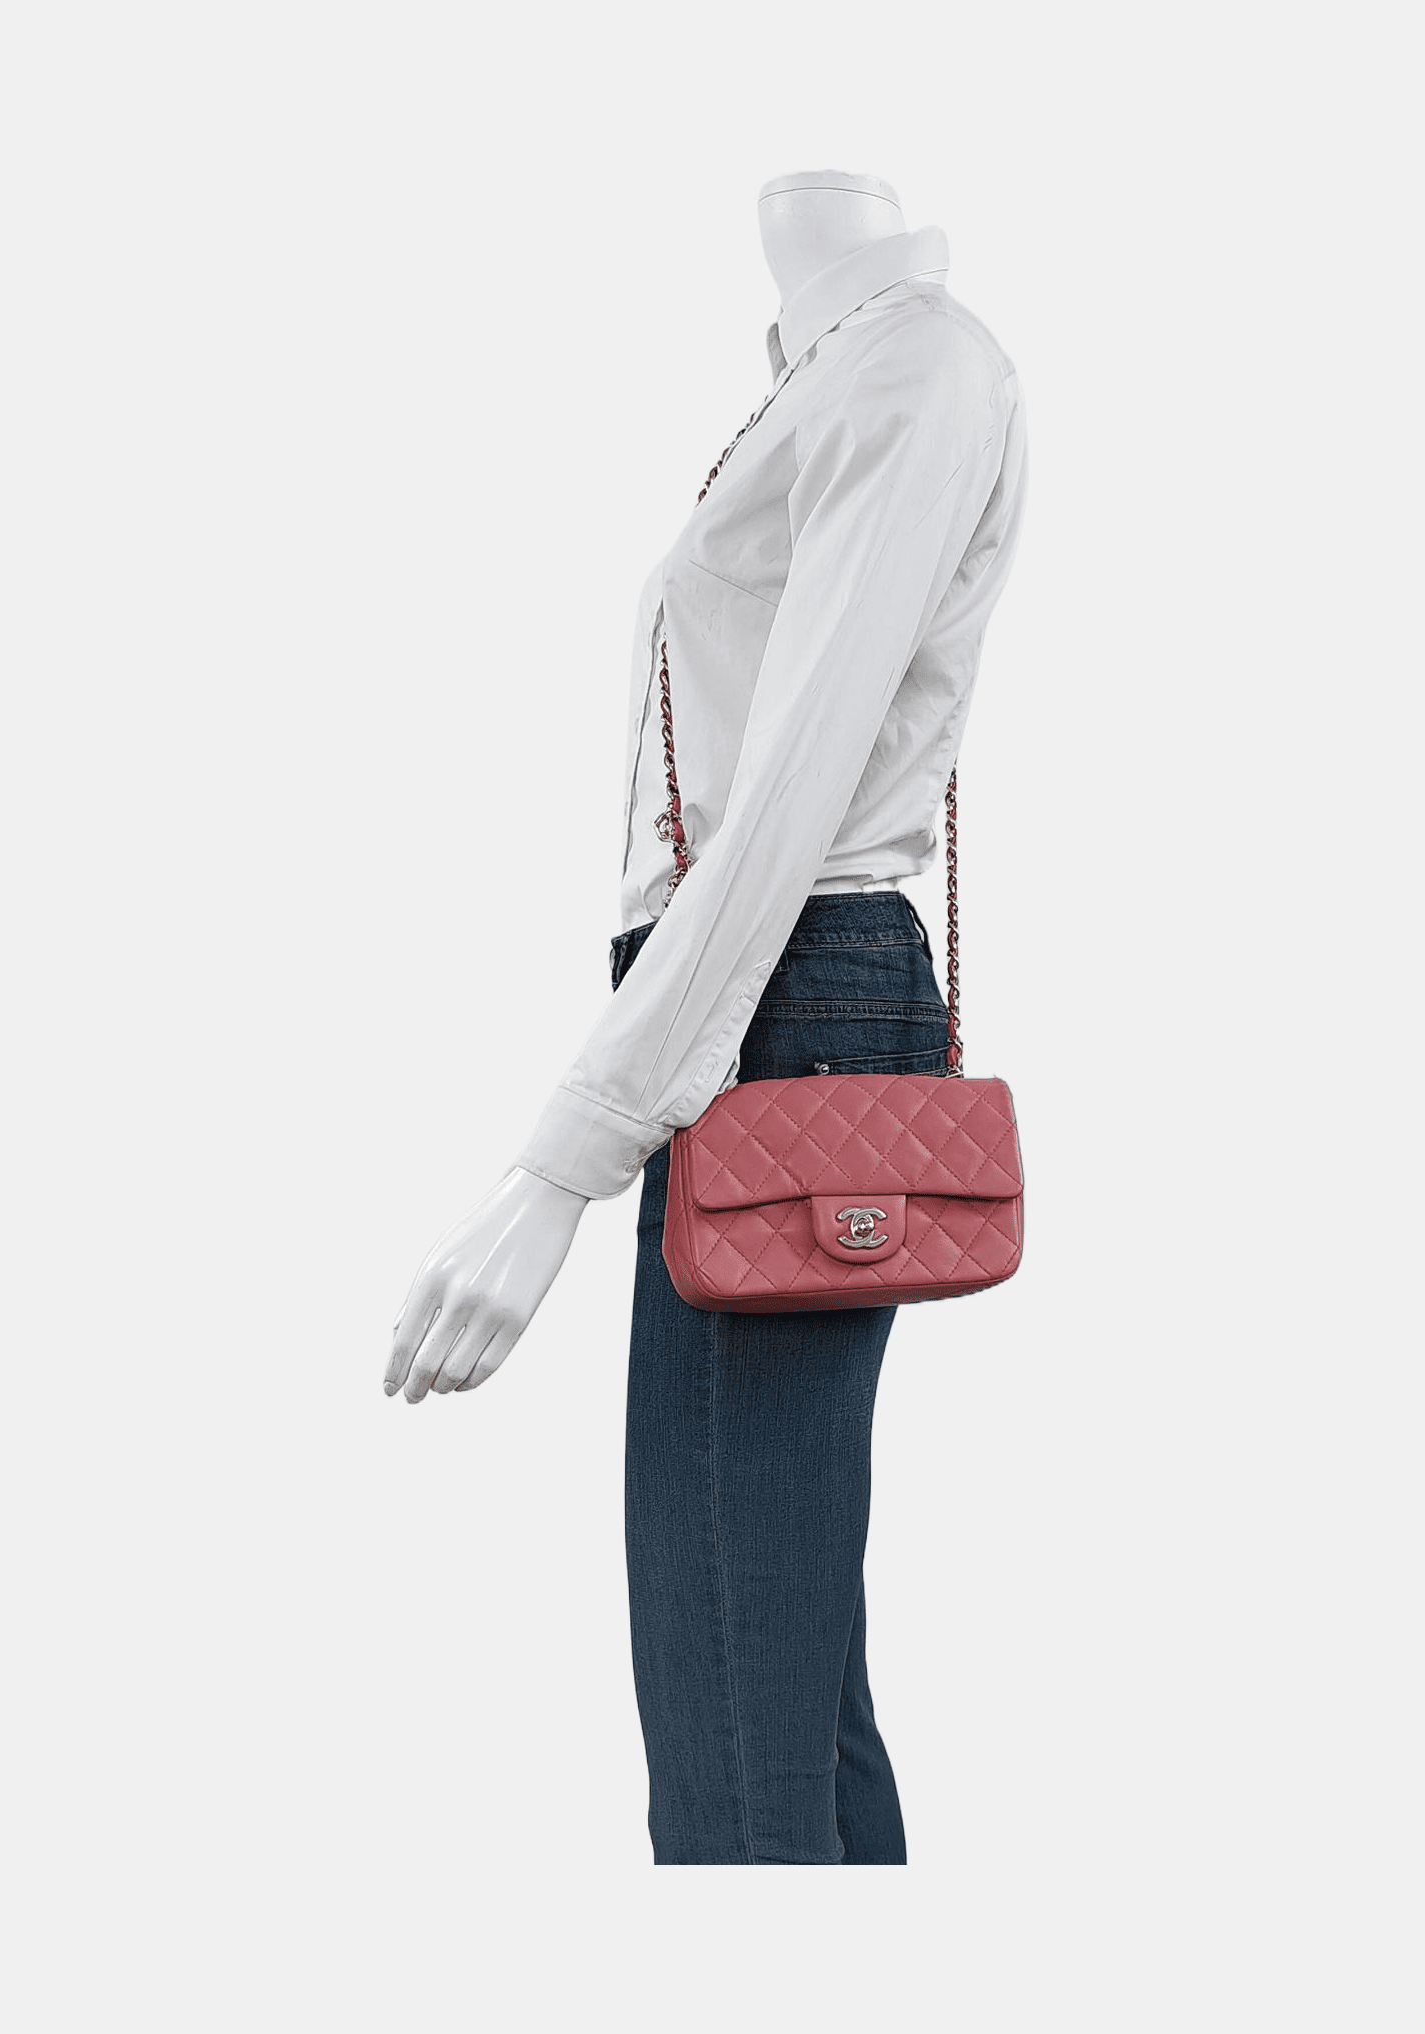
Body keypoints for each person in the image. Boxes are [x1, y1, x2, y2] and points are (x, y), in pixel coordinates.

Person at [386, 171, 1029, 1864]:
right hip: (758, 1002)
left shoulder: (914, 365)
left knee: (733, 1703)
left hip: (777, 998)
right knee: (781, 1684)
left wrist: (563, 1161)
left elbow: (791, 795)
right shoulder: (843, 370)